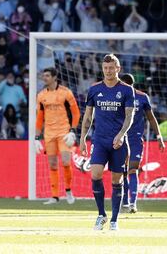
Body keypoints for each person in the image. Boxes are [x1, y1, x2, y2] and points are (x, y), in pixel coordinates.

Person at [79, 54, 135, 230]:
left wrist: (121, 134)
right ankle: (101, 215)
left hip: (118, 142)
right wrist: (82, 139)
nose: (108, 71)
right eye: (106, 68)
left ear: (118, 68)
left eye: (112, 68)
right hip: (99, 140)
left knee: (116, 181)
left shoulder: (126, 90)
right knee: (95, 174)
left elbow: (129, 117)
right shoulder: (94, 89)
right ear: (102, 69)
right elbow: (87, 117)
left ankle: (114, 220)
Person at [120, 73, 165, 213]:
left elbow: (151, 118)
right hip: (120, 138)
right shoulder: (116, 97)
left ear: (126, 83)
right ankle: (126, 202)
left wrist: (159, 136)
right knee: (123, 172)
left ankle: (132, 203)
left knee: (132, 170)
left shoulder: (142, 97)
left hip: (134, 139)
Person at [35, 67, 80, 205]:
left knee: (66, 161)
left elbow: (76, 113)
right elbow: (39, 118)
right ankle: (54, 196)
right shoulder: (41, 95)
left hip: (64, 132)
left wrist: (72, 130)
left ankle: (68, 191)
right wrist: (36, 138)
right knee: (53, 164)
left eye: (47, 76)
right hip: (49, 134)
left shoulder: (66, 93)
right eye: (44, 75)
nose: (45, 78)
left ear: (54, 77)